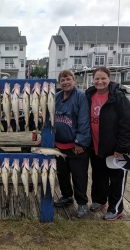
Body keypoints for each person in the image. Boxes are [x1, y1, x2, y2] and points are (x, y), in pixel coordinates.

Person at [86, 66, 130, 221]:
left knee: (116, 179)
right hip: (96, 146)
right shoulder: (89, 94)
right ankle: (100, 200)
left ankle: (116, 208)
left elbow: (126, 123)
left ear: (109, 79)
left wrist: (122, 147)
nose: (100, 81)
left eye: (103, 78)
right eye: (97, 78)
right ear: (93, 80)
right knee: (99, 176)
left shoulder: (118, 96)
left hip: (115, 148)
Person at [54, 70, 91, 218]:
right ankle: (67, 196)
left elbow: (84, 121)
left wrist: (80, 142)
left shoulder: (81, 96)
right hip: (59, 145)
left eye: (68, 79)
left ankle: (82, 203)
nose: (65, 82)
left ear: (74, 81)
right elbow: (49, 117)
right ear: (59, 83)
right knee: (62, 174)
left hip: (76, 146)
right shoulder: (56, 97)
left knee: (79, 176)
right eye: (62, 80)